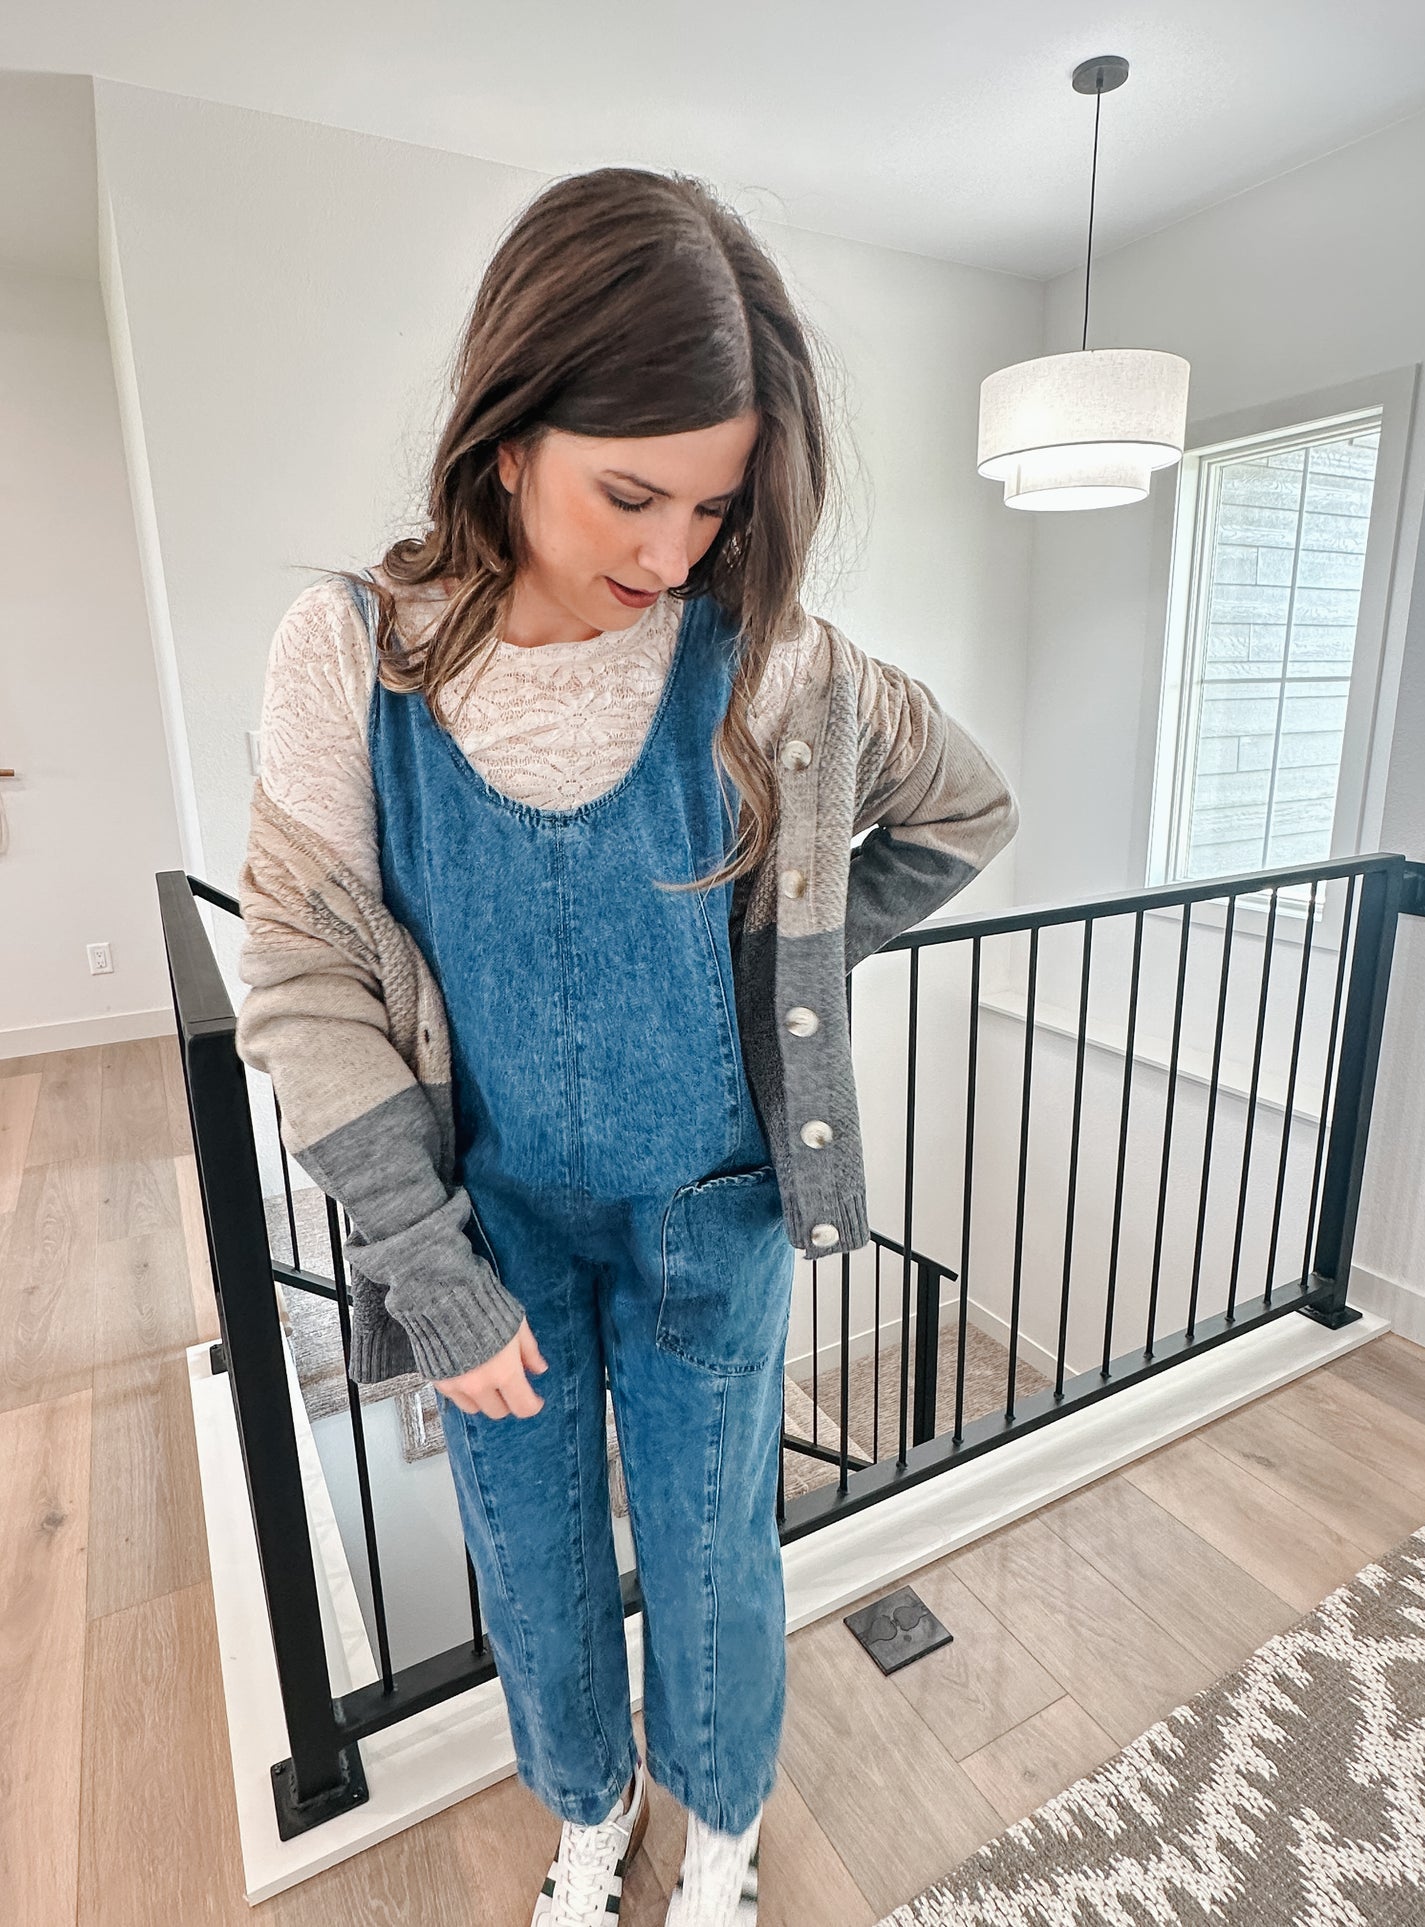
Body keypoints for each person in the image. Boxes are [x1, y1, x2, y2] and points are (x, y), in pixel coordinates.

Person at [235, 164, 1019, 1927]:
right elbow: (297, 969)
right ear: (506, 435)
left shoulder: (775, 668)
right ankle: (590, 1827)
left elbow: (963, 811)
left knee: (712, 1555)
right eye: (630, 494)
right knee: (532, 1563)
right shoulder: (351, 659)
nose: (668, 558)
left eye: (713, 508)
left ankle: (720, 1843)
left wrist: (781, 976)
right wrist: (419, 1261)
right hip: (486, 1229)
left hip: (712, 1212)